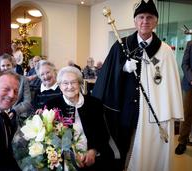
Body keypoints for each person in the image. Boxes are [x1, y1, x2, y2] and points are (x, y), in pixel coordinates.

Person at [92, 0, 184, 171]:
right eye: (141, 17)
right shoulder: (121, 46)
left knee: (143, 151)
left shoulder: (164, 51)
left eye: (149, 17)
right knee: (120, 149)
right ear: (135, 21)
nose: (145, 21)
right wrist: (122, 68)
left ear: (156, 22)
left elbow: (168, 82)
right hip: (123, 110)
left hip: (150, 111)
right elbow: (107, 75)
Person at [45, 66, 113, 170]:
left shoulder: (95, 104)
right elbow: (49, 138)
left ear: (80, 83)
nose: (70, 86)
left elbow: (103, 132)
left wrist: (93, 151)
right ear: (59, 86)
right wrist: (69, 156)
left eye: (73, 82)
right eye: (65, 83)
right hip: (63, 160)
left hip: (92, 158)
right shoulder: (51, 106)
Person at [0, 53, 31, 129]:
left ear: (12, 65)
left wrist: (14, 111)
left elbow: (27, 102)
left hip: (18, 115)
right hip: (0, 113)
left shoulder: (23, 80)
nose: (6, 68)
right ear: (0, 67)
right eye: (3, 66)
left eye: (8, 65)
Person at [175, 40, 192, 155]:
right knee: (187, 114)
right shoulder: (190, 44)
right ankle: (182, 142)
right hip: (190, 85)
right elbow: (184, 64)